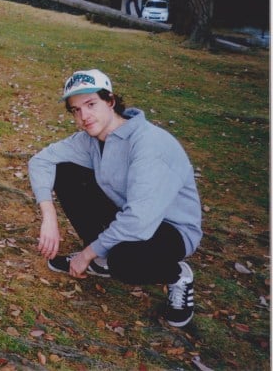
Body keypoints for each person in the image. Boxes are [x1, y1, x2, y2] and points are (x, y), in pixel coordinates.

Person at [28, 69, 203, 327]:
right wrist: (49, 216)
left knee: (126, 262)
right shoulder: (91, 140)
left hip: (169, 228)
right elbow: (40, 161)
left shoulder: (148, 144)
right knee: (65, 170)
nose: (84, 116)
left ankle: (177, 275)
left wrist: (86, 254)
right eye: (76, 110)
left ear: (110, 101)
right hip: (128, 215)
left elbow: (139, 220)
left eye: (91, 105)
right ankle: (103, 259)